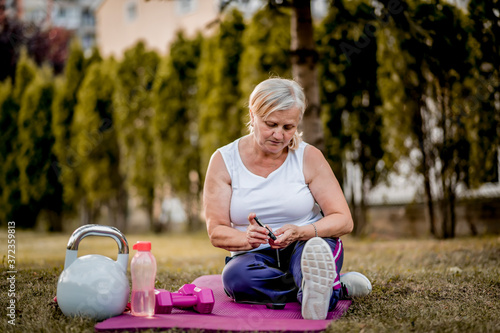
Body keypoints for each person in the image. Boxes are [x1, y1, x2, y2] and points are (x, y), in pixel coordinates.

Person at [203, 77, 371, 320]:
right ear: (252, 115)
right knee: (236, 278)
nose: (279, 135)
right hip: (254, 255)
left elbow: (344, 220)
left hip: (307, 245)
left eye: (288, 127)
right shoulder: (223, 161)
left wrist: (301, 232)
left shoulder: (309, 157)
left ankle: (316, 283)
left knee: (311, 254)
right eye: (271, 124)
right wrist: (246, 238)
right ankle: (331, 287)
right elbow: (216, 231)